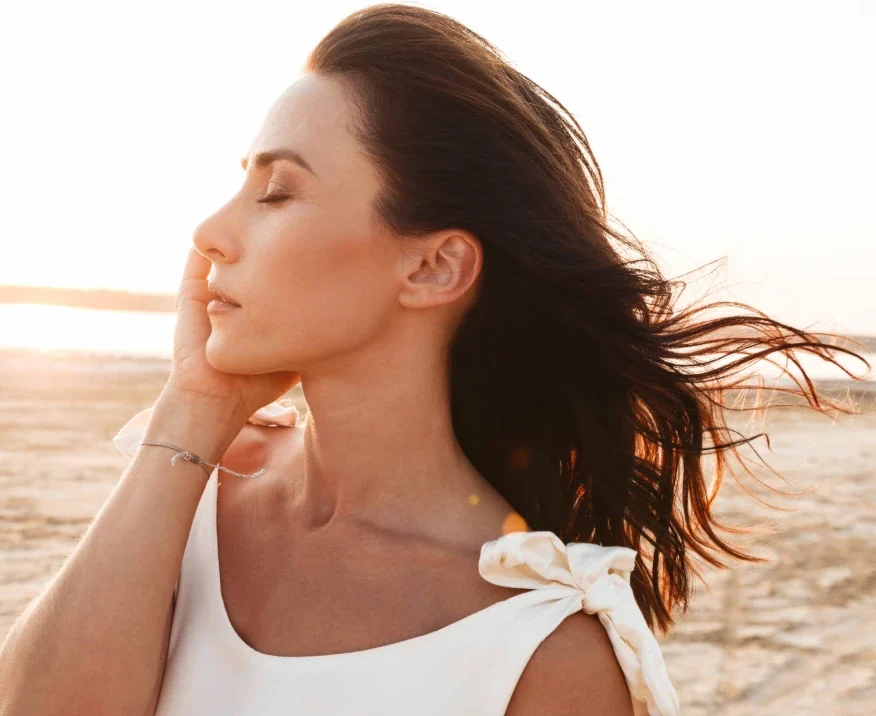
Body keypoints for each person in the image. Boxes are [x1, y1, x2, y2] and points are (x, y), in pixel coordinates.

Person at [0, 4, 869, 715]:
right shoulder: (182, 495)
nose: (211, 231)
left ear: (432, 266)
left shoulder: (536, 652)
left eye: (277, 191)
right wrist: (190, 408)